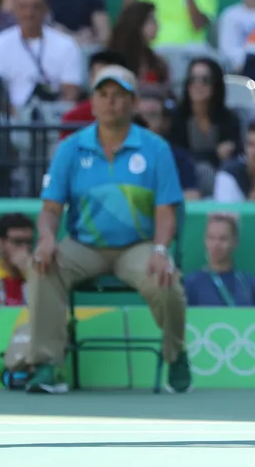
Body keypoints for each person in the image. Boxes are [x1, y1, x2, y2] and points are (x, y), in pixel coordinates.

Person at [25, 65, 191, 394]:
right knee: (42, 267)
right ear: (93, 102)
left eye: (119, 96)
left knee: (167, 281)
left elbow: (166, 211)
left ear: (133, 103)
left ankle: (176, 355)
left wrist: (161, 251)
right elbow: (50, 210)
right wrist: (46, 239)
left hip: (138, 246)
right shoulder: (71, 148)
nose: (111, 102)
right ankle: (47, 365)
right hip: (83, 246)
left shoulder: (156, 149)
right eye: (103, 94)